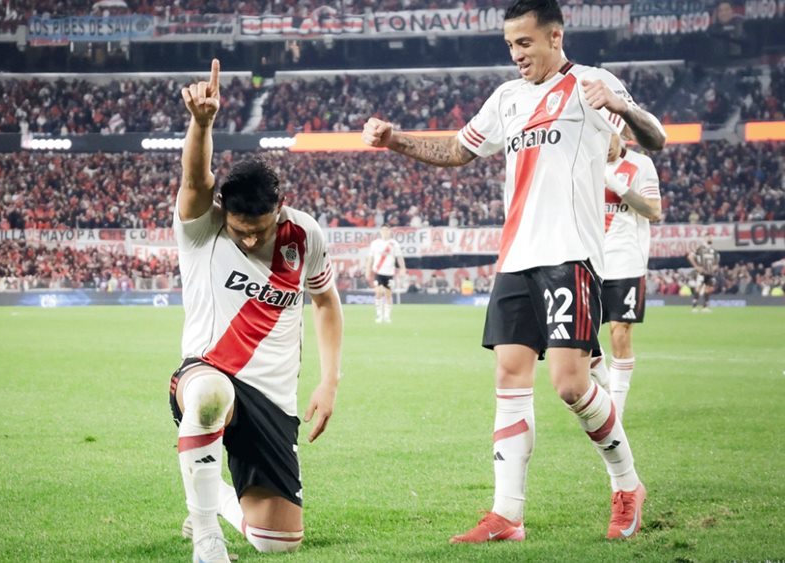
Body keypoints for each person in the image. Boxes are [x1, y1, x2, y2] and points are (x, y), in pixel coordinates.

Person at [362, 0, 666, 543]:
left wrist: (621, 104)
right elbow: (459, 149)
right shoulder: (506, 98)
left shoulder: (591, 84)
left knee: (571, 385)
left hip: (569, 254)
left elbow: (656, 138)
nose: (516, 54)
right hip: (515, 257)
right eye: (509, 45)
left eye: (524, 43)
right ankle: (508, 514)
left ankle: (628, 485)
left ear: (555, 36)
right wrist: (395, 141)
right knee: (509, 376)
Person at [171, 59, 343, 563]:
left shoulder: (304, 235)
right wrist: (202, 123)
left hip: (273, 397)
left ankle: (213, 502)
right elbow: (195, 179)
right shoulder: (202, 228)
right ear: (224, 210)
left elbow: (326, 302)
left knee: (278, 541)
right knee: (210, 394)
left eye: (259, 229)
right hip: (206, 372)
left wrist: (329, 382)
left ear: (280, 208)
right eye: (240, 229)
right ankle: (207, 538)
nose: (249, 239)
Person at [589, 134, 663, 420]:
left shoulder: (640, 165)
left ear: (620, 134)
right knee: (579, 336)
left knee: (619, 333)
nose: (605, 143)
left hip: (626, 261)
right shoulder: (584, 161)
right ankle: (607, 383)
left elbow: (654, 211)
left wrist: (618, 185)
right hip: (588, 258)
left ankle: (615, 412)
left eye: (609, 135)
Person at [365, 226, 406, 323]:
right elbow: (370, 258)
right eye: (383, 230)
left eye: (387, 230)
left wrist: (403, 268)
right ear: (380, 231)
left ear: (389, 231)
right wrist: (367, 270)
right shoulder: (375, 243)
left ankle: (387, 316)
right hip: (378, 272)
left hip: (389, 272)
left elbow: (399, 257)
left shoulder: (394, 244)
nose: (385, 232)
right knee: (378, 292)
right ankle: (379, 314)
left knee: (388, 294)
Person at [688, 238, 720, 312]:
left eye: (711, 237)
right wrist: (696, 266)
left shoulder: (714, 251)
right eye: (708, 237)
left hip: (710, 273)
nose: (710, 239)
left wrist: (715, 267)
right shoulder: (700, 249)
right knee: (698, 288)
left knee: (708, 289)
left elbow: (716, 263)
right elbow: (690, 257)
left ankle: (705, 307)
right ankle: (694, 307)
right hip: (702, 273)